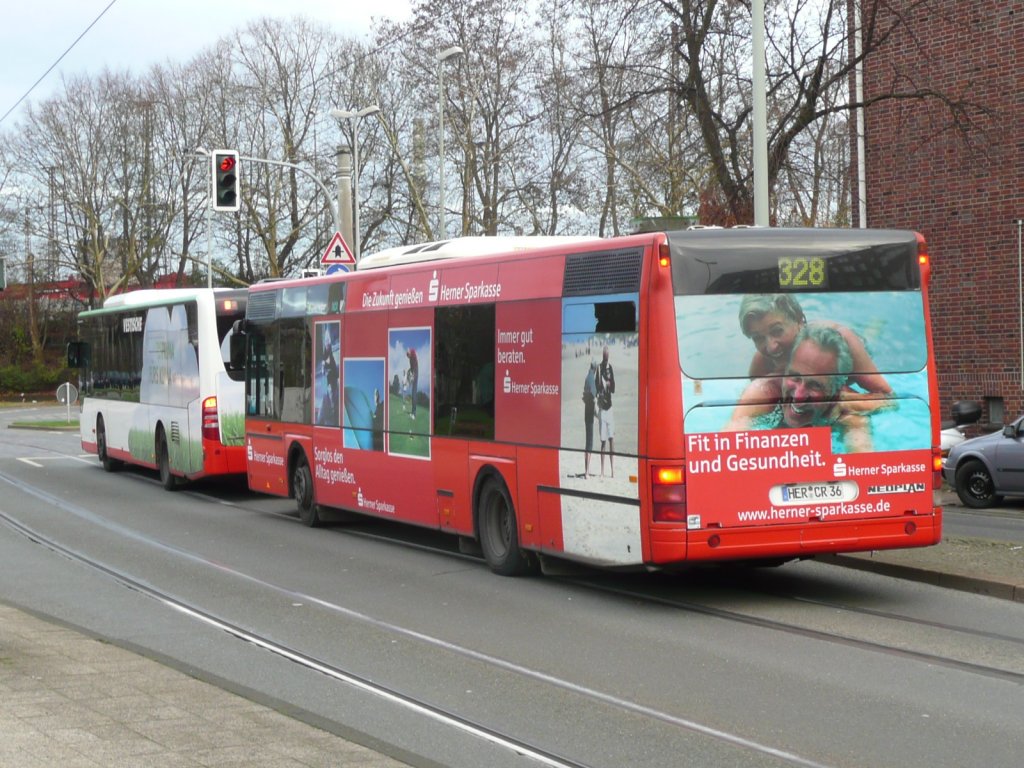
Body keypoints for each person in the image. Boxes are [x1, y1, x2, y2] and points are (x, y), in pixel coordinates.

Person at [727, 324, 873, 452]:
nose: (798, 397)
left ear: (836, 391)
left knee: (865, 342)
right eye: (794, 377)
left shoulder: (848, 414)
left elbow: (864, 467)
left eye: (815, 385)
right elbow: (724, 450)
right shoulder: (763, 393)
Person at [738, 294, 890, 396]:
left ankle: (877, 321)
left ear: (799, 320)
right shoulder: (762, 363)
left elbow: (887, 397)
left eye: (777, 331)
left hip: (856, 346)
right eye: (758, 338)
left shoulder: (839, 343)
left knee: (872, 335)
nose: (771, 347)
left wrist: (839, 401)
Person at [596, 346, 616, 476]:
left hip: (610, 408)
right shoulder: (599, 368)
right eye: (604, 355)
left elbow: (614, 387)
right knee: (603, 441)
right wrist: (600, 391)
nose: (605, 357)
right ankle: (602, 470)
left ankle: (613, 469)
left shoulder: (610, 368)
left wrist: (609, 384)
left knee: (611, 439)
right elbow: (597, 386)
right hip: (602, 409)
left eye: (607, 355)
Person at [582, 361, 598, 477]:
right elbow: (592, 396)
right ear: (595, 368)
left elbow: (584, 395)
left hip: (586, 411)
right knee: (589, 443)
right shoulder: (591, 378)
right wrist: (596, 413)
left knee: (588, 442)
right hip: (589, 412)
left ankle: (586, 470)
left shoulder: (587, 377)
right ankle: (587, 471)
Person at [406, 346, 419, 419]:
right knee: (413, 393)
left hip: (416, 374)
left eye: (408, 355)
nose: (408, 357)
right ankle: (413, 412)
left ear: (409, 353)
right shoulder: (410, 359)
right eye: (407, 356)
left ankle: (414, 413)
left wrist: (411, 379)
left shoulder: (413, 355)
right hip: (414, 374)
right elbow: (411, 369)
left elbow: (413, 350)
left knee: (414, 394)